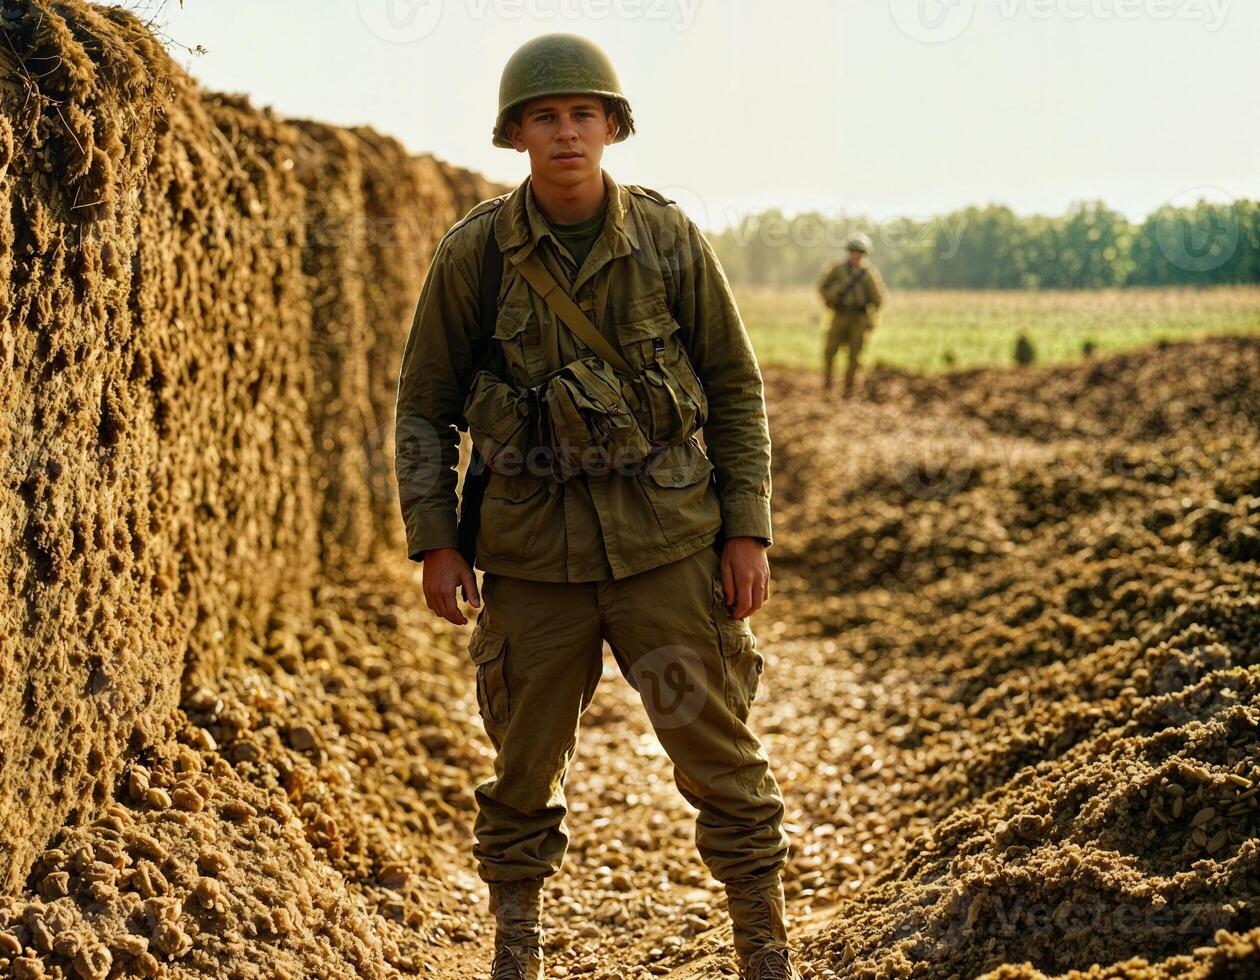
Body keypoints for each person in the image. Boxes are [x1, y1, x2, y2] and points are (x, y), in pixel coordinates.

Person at [393, 32, 798, 980]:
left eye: (583, 114)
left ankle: (766, 952)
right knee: (522, 776)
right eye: (546, 117)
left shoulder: (665, 240)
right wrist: (435, 544)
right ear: (517, 135)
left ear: (612, 127)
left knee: (720, 759)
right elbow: (425, 408)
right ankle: (514, 956)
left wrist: (747, 529)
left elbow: (735, 389)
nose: (566, 133)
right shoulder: (475, 256)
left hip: (667, 554)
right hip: (533, 566)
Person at [817, 232, 885, 396]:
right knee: (829, 351)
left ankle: (849, 388)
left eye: (860, 252)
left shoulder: (868, 274)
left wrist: (871, 317)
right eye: (854, 251)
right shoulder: (837, 269)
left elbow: (877, 299)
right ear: (849, 251)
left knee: (855, 355)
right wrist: (832, 296)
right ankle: (827, 385)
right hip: (840, 315)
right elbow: (822, 287)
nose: (856, 255)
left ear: (863, 254)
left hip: (859, 318)